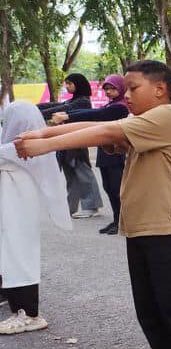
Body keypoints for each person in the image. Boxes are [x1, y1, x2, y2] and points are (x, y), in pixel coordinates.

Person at [15, 60, 171, 349]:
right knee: (149, 309)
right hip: (140, 226)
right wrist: (45, 133)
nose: (126, 95)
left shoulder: (167, 116)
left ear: (159, 88)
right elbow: (105, 126)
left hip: (166, 228)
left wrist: (45, 145)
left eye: (133, 88)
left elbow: (106, 133)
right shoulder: (143, 123)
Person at [0, 103, 73, 335]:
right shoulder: (17, 148)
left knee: (19, 258)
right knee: (13, 256)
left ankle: (29, 315)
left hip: (16, 213)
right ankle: (19, 312)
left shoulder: (21, 148)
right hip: (14, 211)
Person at [52, 74, 129, 234]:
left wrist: (68, 116)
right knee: (108, 187)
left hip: (117, 153)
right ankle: (117, 220)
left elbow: (94, 115)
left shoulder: (120, 107)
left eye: (112, 88)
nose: (108, 92)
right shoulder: (111, 105)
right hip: (105, 150)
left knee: (116, 188)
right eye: (106, 89)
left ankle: (122, 221)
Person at [45, 74, 105, 218]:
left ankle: (91, 206)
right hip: (67, 143)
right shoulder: (74, 100)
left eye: (70, 84)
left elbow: (60, 108)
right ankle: (70, 208)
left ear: (79, 84)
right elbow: (54, 106)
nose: (67, 86)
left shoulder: (82, 102)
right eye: (66, 84)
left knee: (83, 174)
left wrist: (39, 112)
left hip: (77, 144)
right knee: (72, 176)